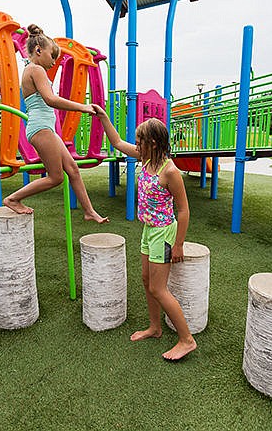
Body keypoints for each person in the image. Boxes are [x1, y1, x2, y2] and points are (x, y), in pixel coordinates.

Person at [96, 110, 196, 360]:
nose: (136, 143)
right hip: (148, 230)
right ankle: (155, 327)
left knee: (158, 288)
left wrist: (179, 244)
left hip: (164, 233)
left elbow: (183, 210)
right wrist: (103, 117)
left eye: (140, 139)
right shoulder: (145, 158)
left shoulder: (169, 171)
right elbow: (117, 143)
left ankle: (187, 340)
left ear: (152, 142)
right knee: (145, 279)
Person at [3, 24, 108, 223]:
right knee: (56, 177)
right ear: (38, 50)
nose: (54, 62)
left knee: (73, 169)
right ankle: (13, 198)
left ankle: (89, 211)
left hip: (44, 127)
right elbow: (51, 100)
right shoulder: (35, 69)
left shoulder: (32, 69)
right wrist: (82, 107)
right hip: (41, 128)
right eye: (52, 56)